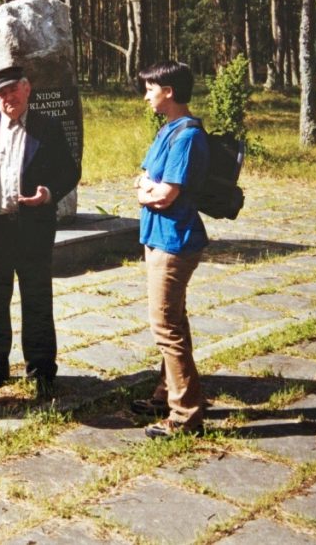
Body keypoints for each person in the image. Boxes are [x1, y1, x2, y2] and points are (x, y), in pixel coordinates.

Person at [0, 65, 80, 398]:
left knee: (37, 299)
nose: (8, 98)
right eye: (1, 93)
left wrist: (49, 194)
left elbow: (70, 170)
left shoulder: (48, 128)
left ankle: (41, 370)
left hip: (33, 229)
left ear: (26, 89)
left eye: (13, 90)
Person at [134, 61, 210, 438]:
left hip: (174, 240)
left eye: (151, 88)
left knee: (166, 327)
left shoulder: (188, 136)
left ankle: (184, 416)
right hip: (159, 237)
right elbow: (144, 177)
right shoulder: (169, 130)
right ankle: (168, 393)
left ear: (169, 91)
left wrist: (147, 190)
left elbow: (163, 195)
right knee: (174, 321)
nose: (146, 94)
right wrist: (148, 187)